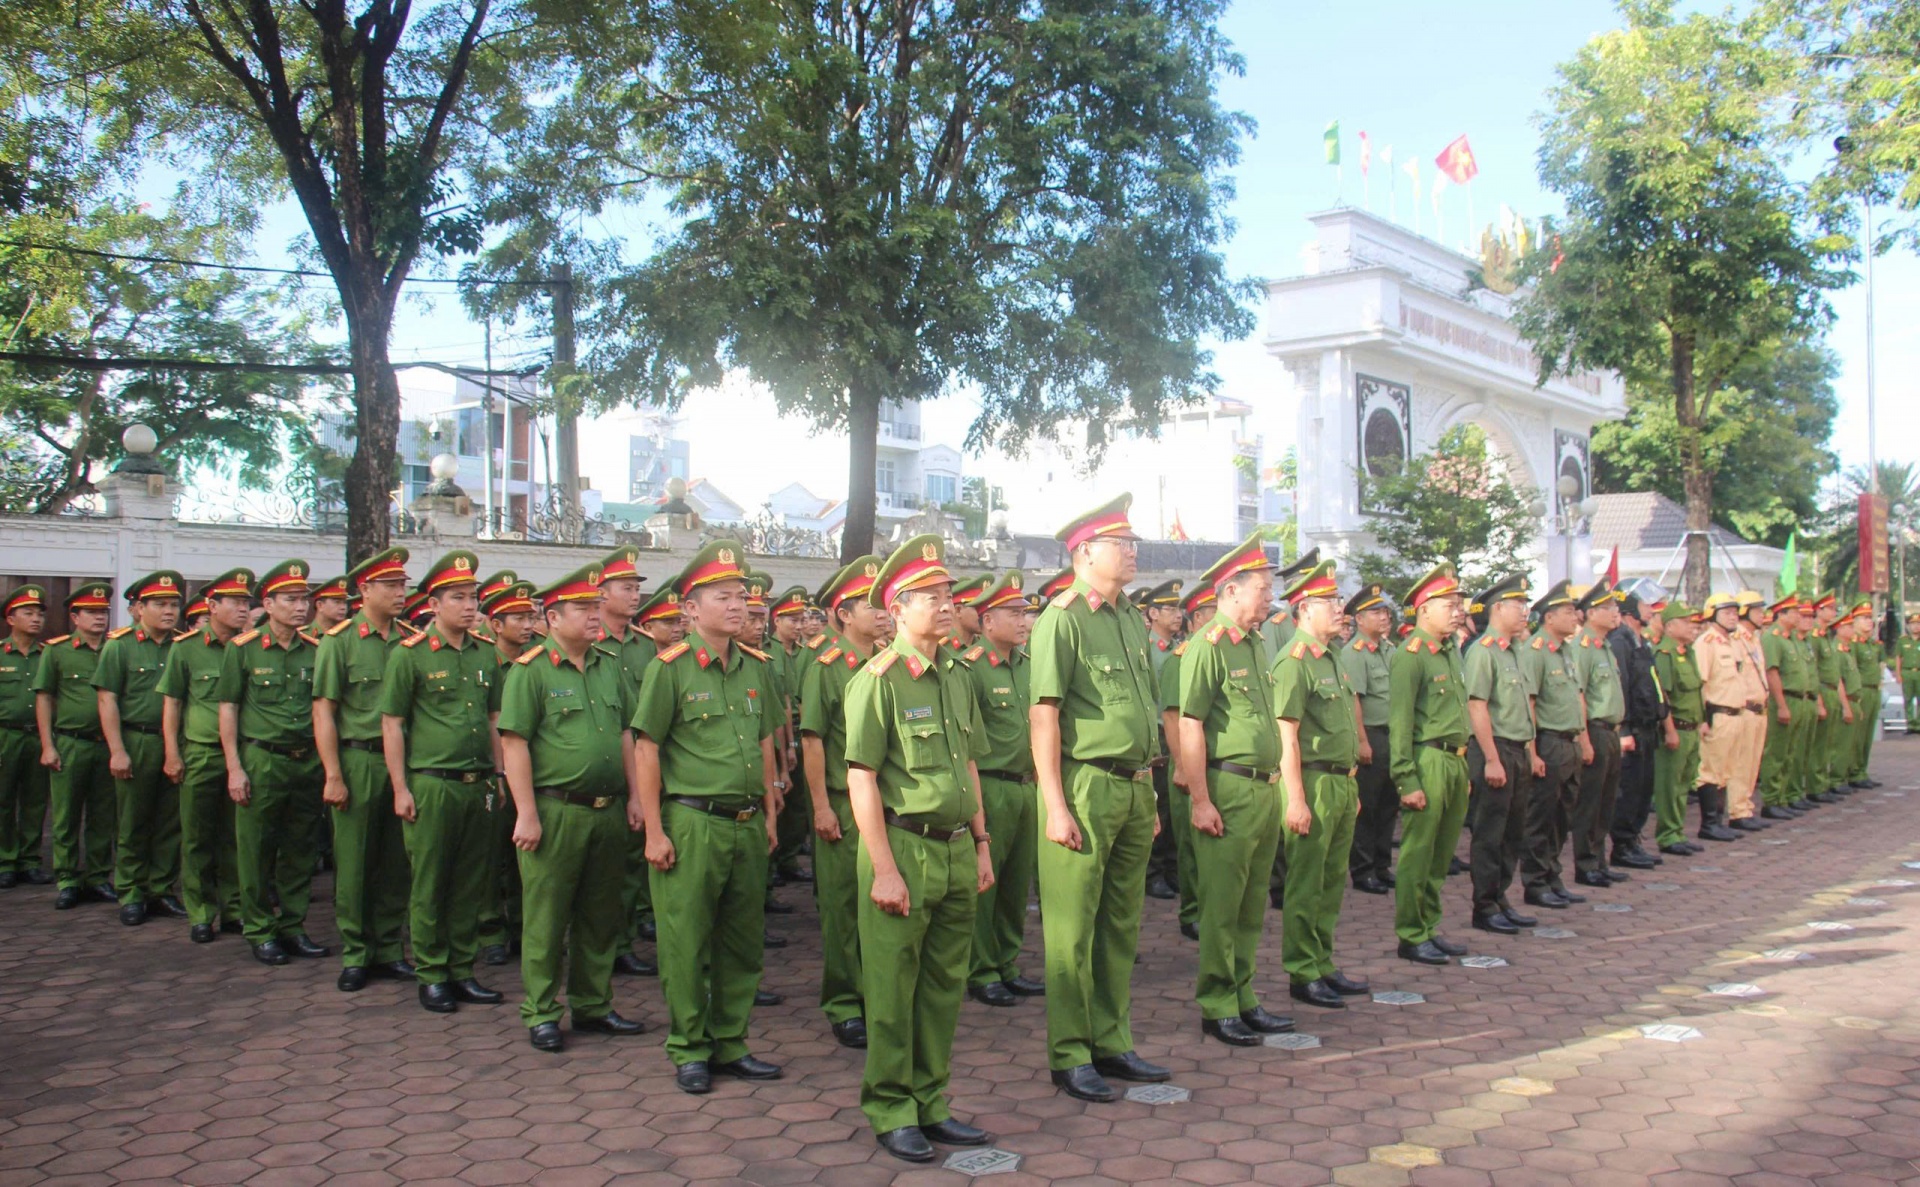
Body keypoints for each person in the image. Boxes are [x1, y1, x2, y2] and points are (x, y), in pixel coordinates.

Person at [844, 535, 997, 1163]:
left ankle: (931, 1101)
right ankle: (891, 1107)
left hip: (957, 848)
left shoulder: (958, 675)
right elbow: (861, 777)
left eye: (947, 594)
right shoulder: (877, 681)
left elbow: (969, 765)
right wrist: (883, 869)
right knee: (891, 990)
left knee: (942, 987)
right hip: (904, 848)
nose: (945, 604)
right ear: (898, 607)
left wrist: (982, 844)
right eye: (930, 596)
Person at [1029, 494, 1169, 1102]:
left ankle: (1112, 1040)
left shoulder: (1131, 617)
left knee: (1120, 924)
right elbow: (1044, 716)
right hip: (1084, 784)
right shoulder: (1062, 618)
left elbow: (1144, 712)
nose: (1133, 552)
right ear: (1085, 552)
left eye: (1133, 542)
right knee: (1072, 930)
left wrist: (1152, 793)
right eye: (1122, 543)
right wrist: (1055, 805)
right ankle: (1070, 1052)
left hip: (1134, 786)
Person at [633, 540, 782, 1095]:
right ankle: (690, 1047)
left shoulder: (755, 668)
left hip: (746, 821)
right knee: (686, 940)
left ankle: (731, 1042)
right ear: (690, 609)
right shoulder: (669, 670)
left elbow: (765, 741)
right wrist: (654, 830)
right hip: (692, 821)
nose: (737, 605)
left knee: (742, 940)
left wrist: (770, 811)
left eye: (740, 596)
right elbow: (647, 749)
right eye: (723, 597)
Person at [498, 562, 645, 1052]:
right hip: (555, 809)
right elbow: (514, 744)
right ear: (552, 618)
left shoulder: (608, 665)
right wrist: (526, 813)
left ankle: (593, 1004)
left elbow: (625, 734)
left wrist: (636, 796)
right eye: (581, 608)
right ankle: (542, 1011)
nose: (593, 615)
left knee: (600, 914)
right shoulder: (531, 671)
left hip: (607, 809)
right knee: (546, 916)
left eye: (595, 606)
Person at [1172, 535, 1293, 1043]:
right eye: (1262, 589)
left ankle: (1245, 994)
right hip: (1229, 787)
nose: (1270, 598)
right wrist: (1200, 800)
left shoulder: (1255, 643)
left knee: (1251, 903)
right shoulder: (1208, 646)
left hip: (1263, 789)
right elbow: (1190, 723)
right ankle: (1218, 1003)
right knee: (1222, 905)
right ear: (1231, 591)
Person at [378, 550, 503, 1013]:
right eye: (458, 598)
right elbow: (392, 724)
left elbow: (494, 719)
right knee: (431, 882)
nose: (469, 607)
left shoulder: (485, 652)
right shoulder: (409, 655)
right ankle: (432, 973)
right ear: (433, 604)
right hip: (432, 782)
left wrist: (500, 773)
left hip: (478, 782)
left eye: (473, 597)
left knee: (470, 882)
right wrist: (400, 787)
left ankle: (462, 969)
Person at [312, 547, 417, 992]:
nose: (400, 592)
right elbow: (324, 711)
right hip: (359, 759)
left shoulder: (410, 641)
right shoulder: (339, 642)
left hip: (405, 763)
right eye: (390, 585)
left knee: (395, 860)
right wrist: (333, 774)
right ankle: (356, 952)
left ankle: (389, 947)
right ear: (364, 590)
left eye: (402, 585)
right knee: (354, 861)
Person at [216, 560, 330, 965]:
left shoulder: (315, 649)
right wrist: (234, 767)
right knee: (256, 848)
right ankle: (260, 928)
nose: (300, 607)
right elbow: (228, 708)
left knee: (300, 848)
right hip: (262, 758)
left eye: (304, 600)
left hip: (306, 760)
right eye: (291, 600)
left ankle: (293, 926)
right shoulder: (243, 649)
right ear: (268, 604)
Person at [1272, 559, 1372, 1009]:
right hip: (1312, 782)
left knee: (1331, 880)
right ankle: (1302, 969)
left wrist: (1352, 786)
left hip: (1340, 782)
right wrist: (1295, 798)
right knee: (1306, 882)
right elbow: (1286, 734)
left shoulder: (1332, 657)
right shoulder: (1294, 661)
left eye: (1337, 599)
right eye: (1328, 601)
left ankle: (1323, 961)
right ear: (1303, 609)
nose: (1339, 608)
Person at [799, 556, 886, 1050]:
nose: (881, 612)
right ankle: (845, 1003)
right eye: (868, 605)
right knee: (842, 908)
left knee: (881, 904)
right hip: (841, 802)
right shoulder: (827, 668)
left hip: (884, 804)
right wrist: (820, 807)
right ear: (844, 615)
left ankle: (877, 994)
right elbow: (812, 740)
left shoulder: (888, 662)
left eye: (882, 603)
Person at [961, 573, 1045, 1008]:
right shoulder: (970, 668)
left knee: (1016, 883)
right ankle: (982, 969)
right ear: (988, 621)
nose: (1023, 621)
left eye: (1025, 613)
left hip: (1026, 785)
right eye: (1013, 613)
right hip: (991, 787)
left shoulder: (1029, 665)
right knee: (987, 882)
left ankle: (1007, 963)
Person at [1387, 563, 1473, 965]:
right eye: (1449, 605)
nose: (1458, 611)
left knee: (1441, 853)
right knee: (1419, 852)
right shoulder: (1412, 655)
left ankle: (1429, 926)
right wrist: (1406, 778)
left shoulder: (1450, 651)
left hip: (1454, 760)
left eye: (1459, 604)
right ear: (1423, 609)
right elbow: (1401, 723)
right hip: (1428, 760)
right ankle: (1410, 932)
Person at [160, 569, 253, 940]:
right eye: (235, 602)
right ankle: (200, 912)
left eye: (247, 602)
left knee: (236, 837)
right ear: (212, 606)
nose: (243, 609)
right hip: (201, 753)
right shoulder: (186, 648)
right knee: (197, 837)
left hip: (244, 755)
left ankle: (234, 909)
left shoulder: (252, 647)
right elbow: (172, 704)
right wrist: (172, 753)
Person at [94, 570, 185, 925]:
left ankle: (161, 888)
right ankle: (131, 891)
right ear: (139, 609)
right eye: (160, 604)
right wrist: (117, 749)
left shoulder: (183, 645)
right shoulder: (119, 646)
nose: (169, 611)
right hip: (137, 739)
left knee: (169, 820)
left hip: (174, 742)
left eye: (174, 604)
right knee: (132, 820)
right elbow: (107, 700)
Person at [594, 547, 659, 980]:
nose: (635, 595)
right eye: (626, 588)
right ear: (601, 593)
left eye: (637, 588)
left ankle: (624, 942)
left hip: (639, 760)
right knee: (600, 870)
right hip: (599, 763)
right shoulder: (588, 640)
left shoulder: (645, 645)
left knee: (632, 862)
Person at [1463, 574, 1539, 936]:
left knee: (1513, 831)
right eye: (1518, 604)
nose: (1525, 611)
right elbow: (1477, 706)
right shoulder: (1483, 651)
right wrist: (1492, 759)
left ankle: (1501, 897)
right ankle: (1485, 905)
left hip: (1518, 749)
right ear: (1497, 609)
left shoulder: (1515, 650)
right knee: (1490, 833)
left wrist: (1531, 752)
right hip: (1496, 750)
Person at [34, 581, 118, 910]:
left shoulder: (115, 648)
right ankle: (67, 878)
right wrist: (48, 745)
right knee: (66, 814)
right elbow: (44, 698)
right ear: (75, 617)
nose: (100, 618)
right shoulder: (57, 651)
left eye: (103, 612)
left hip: (107, 745)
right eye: (92, 612)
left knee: (103, 815)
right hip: (71, 742)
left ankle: (97, 876)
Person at [1518, 580, 1589, 910]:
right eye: (1568, 612)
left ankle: (1553, 876)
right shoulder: (1536, 651)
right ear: (1549, 617)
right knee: (1541, 816)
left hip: (1569, 741)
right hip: (1548, 742)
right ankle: (1535, 882)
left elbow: (1576, 698)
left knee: (1562, 816)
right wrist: (1532, 753)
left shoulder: (1566, 650)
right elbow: (1530, 705)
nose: (1575, 617)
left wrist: (1583, 740)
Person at [478, 574, 538, 965]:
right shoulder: (484, 661)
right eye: (518, 618)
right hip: (493, 771)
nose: (527, 624)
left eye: (530, 616)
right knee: (490, 856)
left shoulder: (538, 662)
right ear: (496, 625)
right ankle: (490, 930)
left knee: (526, 857)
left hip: (532, 774)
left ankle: (521, 927)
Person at [1158, 583, 1214, 940]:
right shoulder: (1180, 659)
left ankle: (1212, 907)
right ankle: (1192, 910)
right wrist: (1181, 765)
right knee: (1192, 843)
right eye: (1211, 614)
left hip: (1215, 764)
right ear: (1195, 621)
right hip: (1188, 764)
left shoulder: (1221, 653)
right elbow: (1171, 716)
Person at [1339, 584, 1396, 897]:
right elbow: (1354, 700)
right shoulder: (1354, 653)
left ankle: (1382, 866)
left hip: (1392, 734)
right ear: (1359, 619)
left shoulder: (1389, 649)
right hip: (1372, 734)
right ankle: (1363, 869)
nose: (1383, 617)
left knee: (1388, 804)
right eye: (1376, 612)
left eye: (1385, 611)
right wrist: (1362, 741)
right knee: (1368, 806)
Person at [1570, 582, 1628, 889]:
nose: (1616, 612)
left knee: (1606, 801)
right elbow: (1578, 694)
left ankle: (1599, 861)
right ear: (1591, 613)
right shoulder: (1583, 648)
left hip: (1611, 731)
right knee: (1590, 802)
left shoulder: (1604, 646)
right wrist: (1584, 740)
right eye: (1609, 608)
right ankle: (1586, 863)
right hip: (1594, 729)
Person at [1649, 603, 1719, 853]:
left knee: (1684, 783)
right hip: (1676, 728)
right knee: (1669, 786)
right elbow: (1663, 696)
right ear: (1670, 627)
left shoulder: (1687, 652)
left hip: (1691, 728)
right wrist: (1669, 730)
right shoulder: (1664, 654)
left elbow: (1696, 691)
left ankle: (1677, 832)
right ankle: (1668, 835)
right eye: (1686, 622)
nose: (1693, 627)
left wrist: (1701, 721)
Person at [1691, 595, 1760, 844]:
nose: (1733, 617)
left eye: (1734, 612)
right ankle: (1709, 823)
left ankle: (1719, 821)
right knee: (1711, 770)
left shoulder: (1733, 643)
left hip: (1736, 714)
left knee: (1727, 770)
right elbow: (1700, 684)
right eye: (1727, 613)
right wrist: (1702, 719)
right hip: (1718, 714)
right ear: (1712, 615)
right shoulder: (1706, 643)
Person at [1607, 594, 1667, 871]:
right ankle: (1622, 845)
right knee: (1629, 790)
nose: (1650, 611)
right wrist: (1625, 728)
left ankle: (1633, 840)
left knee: (1643, 789)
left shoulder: (1639, 641)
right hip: (1633, 728)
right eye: (1645, 606)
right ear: (1631, 612)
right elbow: (1622, 687)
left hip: (1648, 726)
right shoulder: (1621, 641)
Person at [1135, 578, 1184, 902]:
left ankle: (1170, 868)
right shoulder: (1145, 649)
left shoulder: (1179, 649)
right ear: (1152, 614)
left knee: (1172, 804)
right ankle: (1153, 873)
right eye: (1169, 609)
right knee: (1157, 804)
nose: (1177, 614)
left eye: (1178, 608)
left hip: (1175, 732)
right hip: (1156, 734)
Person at [0, 585, 51, 889]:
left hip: (38, 736)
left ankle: (30, 860)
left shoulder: (48, 655)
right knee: (3, 800)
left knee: (35, 800)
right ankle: (5, 861)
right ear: (11, 619)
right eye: (28, 613)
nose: (36, 619)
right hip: (5, 735)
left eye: (39, 614)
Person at [1727, 592, 1774, 827]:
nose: (1762, 615)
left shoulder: (1754, 639)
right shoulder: (1735, 639)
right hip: (1745, 708)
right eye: (1757, 610)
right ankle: (1738, 811)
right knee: (1741, 763)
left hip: (1759, 709)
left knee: (1753, 763)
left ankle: (1745, 806)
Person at [1896, 612, 1920, 736]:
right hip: (1907, 672)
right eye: (1913, 624)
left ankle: (1919, 724)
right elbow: (1898, 658)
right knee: (1908, 699)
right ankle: (1910, 724)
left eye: (1918, 623)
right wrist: (1898, 674)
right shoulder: (1903, 640)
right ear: (1908, 626)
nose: (1916, 626)